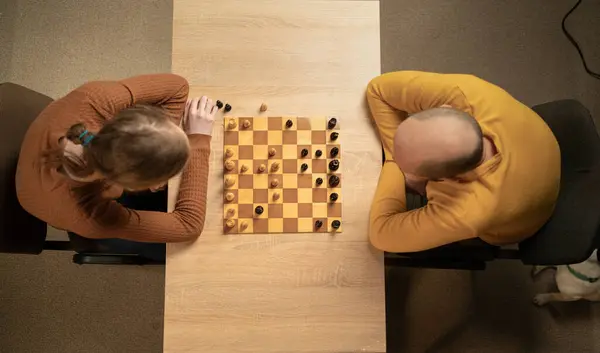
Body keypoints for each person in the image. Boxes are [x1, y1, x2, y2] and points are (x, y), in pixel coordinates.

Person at [16, 74, 215, 261]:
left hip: (44, 162)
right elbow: (189, 226)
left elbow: (177, 86)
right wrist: (198, 141)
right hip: (47, 202)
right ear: (137, 188)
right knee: (181, 251)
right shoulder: (91, 217)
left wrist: (162, 142)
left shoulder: (96, 99)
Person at [366, 71, 560, 252]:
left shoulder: (470, 209)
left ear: (447, 180)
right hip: (542, 143)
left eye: (407, 167)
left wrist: (392, 162)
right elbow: (378, 88)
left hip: (526, 219)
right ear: (445, 107)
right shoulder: (465, 93)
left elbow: (381, 234)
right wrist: (398, 157)